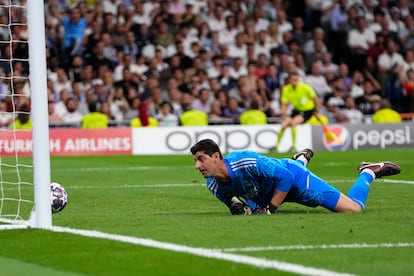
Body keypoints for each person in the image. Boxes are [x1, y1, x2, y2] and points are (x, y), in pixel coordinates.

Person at [190, 139, 401, 215]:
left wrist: (270, 209)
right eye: (195, 161)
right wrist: (240, 208)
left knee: (354, 209)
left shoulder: (245, 160)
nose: (197, 166)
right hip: (265, 193)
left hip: (292, 179)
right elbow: (234, 204)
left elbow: (286, 178)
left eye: (200, 159)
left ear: (216, 156)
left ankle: (368, 171)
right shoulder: (214, 185)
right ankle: (301, 157)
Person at [272, 71, 321, 152]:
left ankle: (293, 146)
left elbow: (315, 100)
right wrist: (283, 114)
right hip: (297, 110)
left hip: (308, 111)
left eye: (296, 79)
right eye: (292, 79)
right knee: (284, 125)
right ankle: (276, 146)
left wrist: (317, 112)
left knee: (293, 123)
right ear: (289, 80)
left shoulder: (306, 87)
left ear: (298, 79)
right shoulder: (286, 89)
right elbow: (284, 103)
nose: (294, 81)